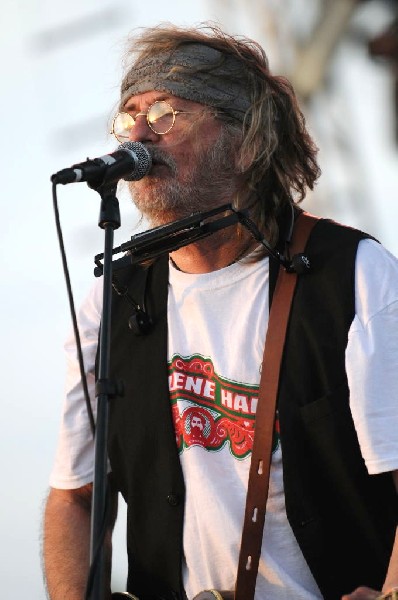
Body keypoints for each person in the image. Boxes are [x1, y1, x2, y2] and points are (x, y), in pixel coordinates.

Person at [42, 23, 398, 600]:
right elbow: (75, 496)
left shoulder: (354, 275)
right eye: (128, 116)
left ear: (247, 140)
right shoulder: (111, 302)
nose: (137, 135)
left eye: (165, 113)